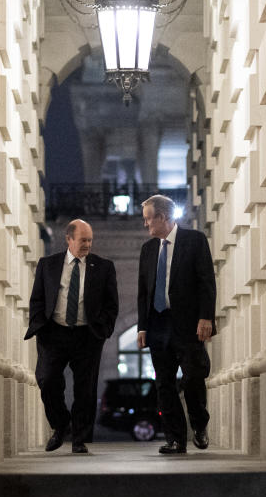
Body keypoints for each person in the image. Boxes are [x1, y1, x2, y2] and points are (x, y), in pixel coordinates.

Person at [24, 220, 119, 454]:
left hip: (87, 334)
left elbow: (111, 304)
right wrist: (40, 324)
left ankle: (80, 438)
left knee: (85, 389)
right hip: (54, 332)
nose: (87, 244)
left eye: (90, 240)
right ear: (69, 239)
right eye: (82, 240)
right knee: (46, 379)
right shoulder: (48, 265)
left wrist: (103, 330)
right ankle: (60, 424)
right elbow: (37, 298)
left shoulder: (104, 267)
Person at [137, 195, 217, 455]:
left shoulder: (194, 241)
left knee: (194, 376)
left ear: (162, 217)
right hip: (158, 324)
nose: (146, 224)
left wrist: (206, 317)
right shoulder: (148, 250)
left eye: (149, 219)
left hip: (188, 323)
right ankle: (175, 439)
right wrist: (142, 327)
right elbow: (143, 292)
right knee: (164, 384)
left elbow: (206, 282)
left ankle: (199, 424)